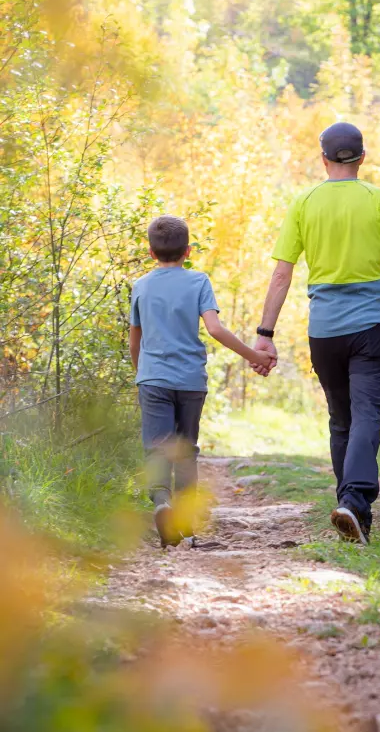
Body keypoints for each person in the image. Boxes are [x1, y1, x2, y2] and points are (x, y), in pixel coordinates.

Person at [251, 123, 380, 545]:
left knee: (342, 419)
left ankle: (352, 509)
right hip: (372, 326)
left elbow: (282, 273)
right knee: (367, 415)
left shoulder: (304, 202)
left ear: (323, 158)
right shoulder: (379, 200)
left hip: (325, 331)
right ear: (362, 157)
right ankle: (354, 502)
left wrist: (265, 332)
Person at [129, 215, 274, 547]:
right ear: (188, 250)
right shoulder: (199, 282)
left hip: (153, 378)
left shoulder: (141, 286)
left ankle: (162, 502)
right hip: (191, 380)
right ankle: (186, 527)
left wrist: (142, 373)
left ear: (151, 252)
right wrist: (254, 355)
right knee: (186, 451)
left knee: (157, 448)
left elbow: (134, 341)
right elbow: (215, 329)